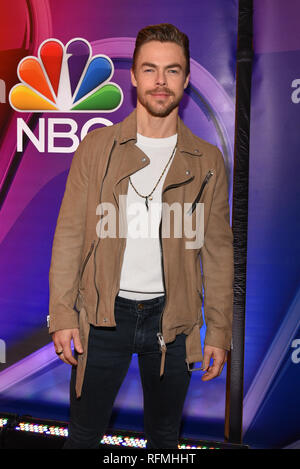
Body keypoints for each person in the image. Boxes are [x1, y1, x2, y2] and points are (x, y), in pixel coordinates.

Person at [48, 23, 234, 449]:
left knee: (165, 438)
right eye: (150, 69)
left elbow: (219, 255)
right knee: (82, 436)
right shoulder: (96, 149)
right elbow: (70, 236)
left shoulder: (207, 160)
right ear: (132, 76)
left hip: (174, 321)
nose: (160, 81)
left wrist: (219, 333)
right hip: (101, 316)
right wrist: (61, 314)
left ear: (186, 80)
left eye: (172, 71)